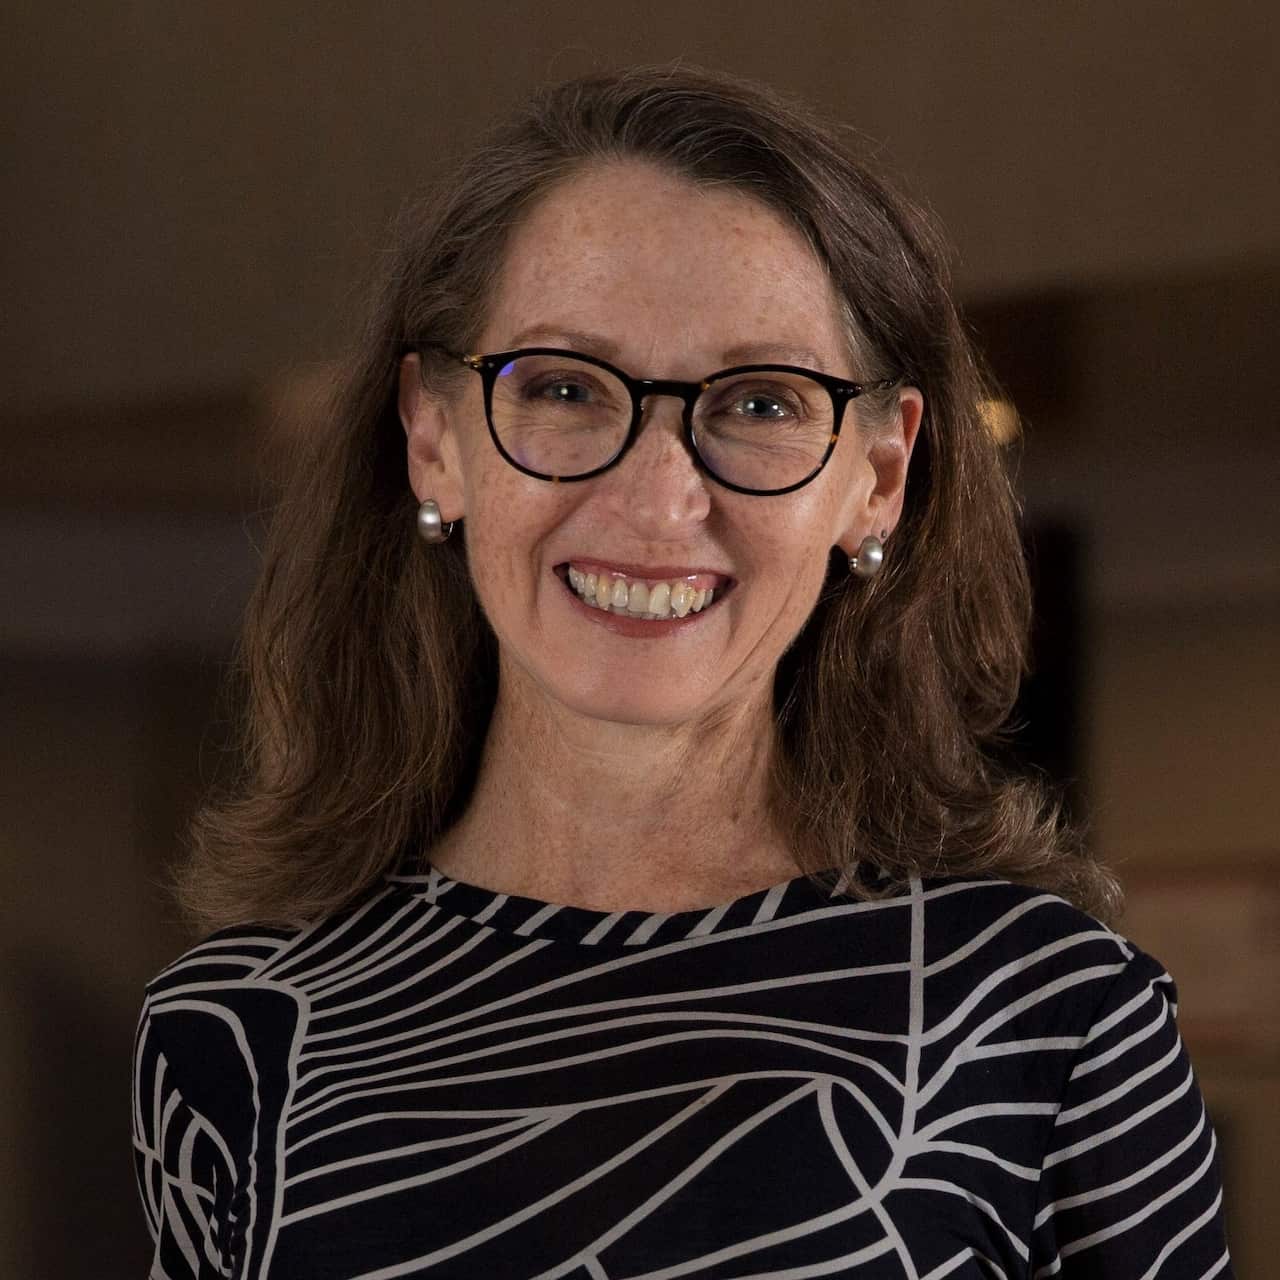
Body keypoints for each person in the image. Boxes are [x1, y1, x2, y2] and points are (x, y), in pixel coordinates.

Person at [131, 64, 1232, 1278]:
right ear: (433, 440)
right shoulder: (237, 1030)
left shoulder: (1047, 1011)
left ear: (875, 476)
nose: (658, 499)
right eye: (562, 387)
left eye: (759, 401)